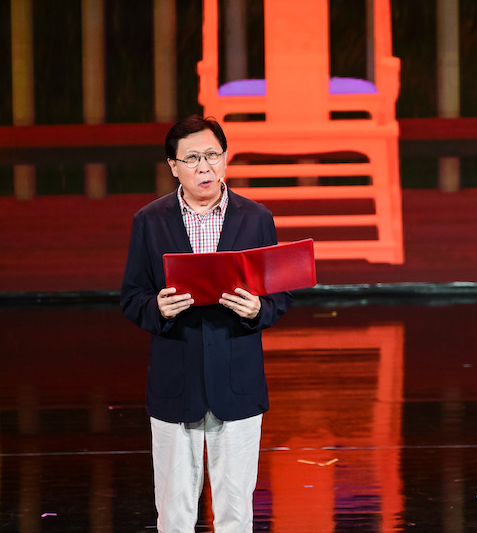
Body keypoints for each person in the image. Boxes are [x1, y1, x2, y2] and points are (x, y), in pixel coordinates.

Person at [121, 115, 292, 532]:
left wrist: (257, 310)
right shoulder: (150, 220)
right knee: (174, 513)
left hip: (237, 381)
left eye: (213, 155)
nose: (205, 167)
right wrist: (159, 308)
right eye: (193, 158)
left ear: (226, 158)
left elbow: (280, 295)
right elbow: (132, 297)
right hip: (175, 382)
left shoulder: (256, 218)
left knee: (236, 513)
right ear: (173, 165)